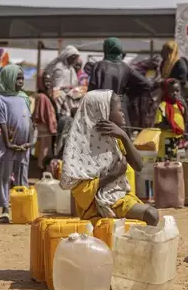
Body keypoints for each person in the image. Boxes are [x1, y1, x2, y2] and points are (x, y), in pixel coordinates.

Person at [60, 90, 159, 226]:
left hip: (120, 197)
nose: (123, 114)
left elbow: (139, 166)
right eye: (119, 110)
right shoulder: (78, 147)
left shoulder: (115, 139)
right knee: (151, 215)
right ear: (103, 111)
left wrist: (124, 136)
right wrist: (113, 175)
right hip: (95, 205)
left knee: (151, 215)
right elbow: (78, 190)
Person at [0, 64, 34, 224]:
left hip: (25, 145)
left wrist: (31, 140)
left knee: (22, 175)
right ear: (8, 78)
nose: (21, 81)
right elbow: (1, 122)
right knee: (5, 176)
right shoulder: (0, 99)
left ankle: (22, 209)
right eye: (17, 78)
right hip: (8, 144)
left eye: (22, 78)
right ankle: (5, 209)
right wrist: (9, 144)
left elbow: (28, 119)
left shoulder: (24, 97)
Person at [154, 79, 186, 161]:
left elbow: (184, 119)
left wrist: (185, 106)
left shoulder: (180, 105)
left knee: (176, 162)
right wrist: (171, 127)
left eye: (177, 91)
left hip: (179, 138)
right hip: (168, 139)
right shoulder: (163, 106)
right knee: (167, 163)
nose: (175, 93)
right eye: (172, 91)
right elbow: (158, 124)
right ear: (166, 92)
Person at [33, 71, 58, 170]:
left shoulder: (47, 95)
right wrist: (52, 128)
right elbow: (43, 115)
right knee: (45, 150)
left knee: (47, 149)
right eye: (45, 81)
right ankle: (43, 169)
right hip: (46, 128)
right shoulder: (42, 96)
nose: (48, 83)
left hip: (48, 128)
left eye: (49, 81)